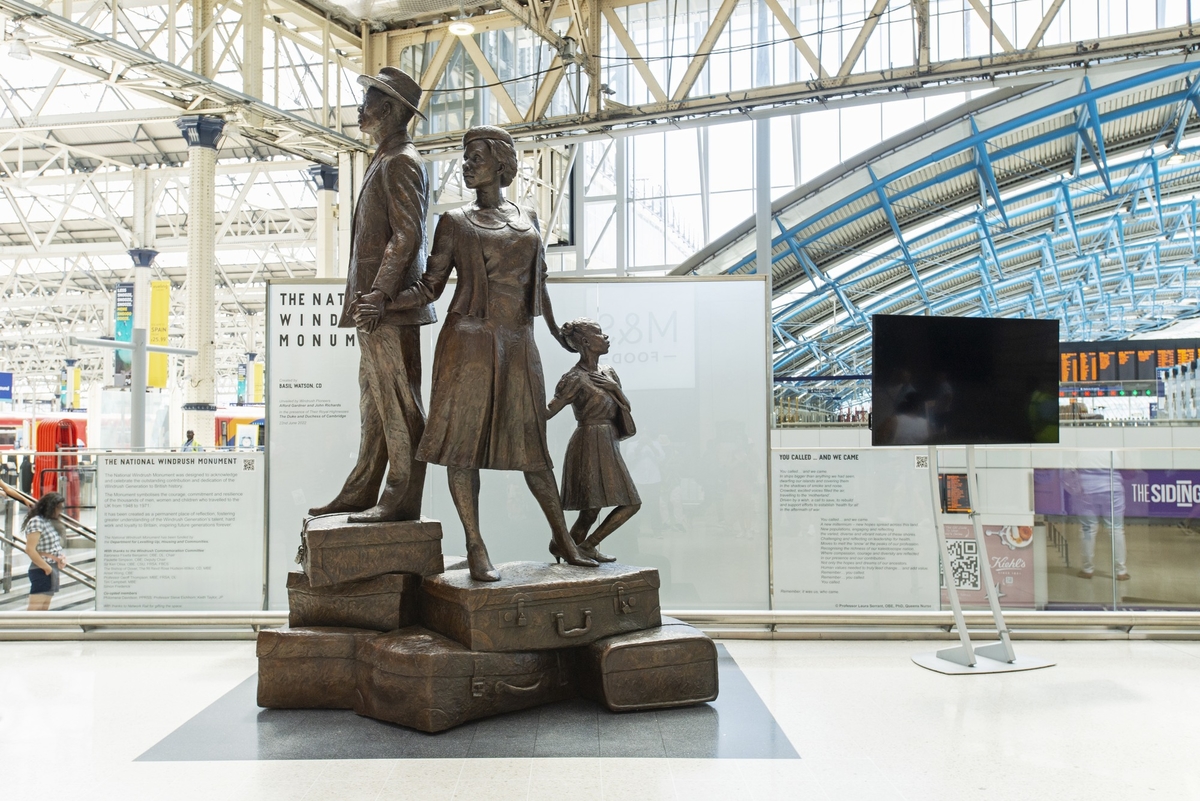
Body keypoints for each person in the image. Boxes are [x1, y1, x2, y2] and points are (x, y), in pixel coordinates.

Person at [390, 125, 596, 581]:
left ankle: (564, 539)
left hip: (520, 343)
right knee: (463, 448)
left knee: (534, 450)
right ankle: (475, 544)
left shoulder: (530, 219)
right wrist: (385, 301)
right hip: (469, 344)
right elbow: (430, 287)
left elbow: (538, 286)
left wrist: (562, 337)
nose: (467, 163)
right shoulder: (455, 222)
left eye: (476, 156)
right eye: (464, 157)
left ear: (502, 163)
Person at [308, 67, 436, 523]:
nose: (362, 107)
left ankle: (401, 495)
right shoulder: (384, 158)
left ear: (392, 110)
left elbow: (407, 236)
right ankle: (363, 488)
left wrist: (381, 293)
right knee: (375, 402)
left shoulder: (402, 160)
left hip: (388, 309)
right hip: (374, 309)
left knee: (399, 403)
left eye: (370, 99)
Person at [547, 318, 641, 562]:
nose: (606, 337)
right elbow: (548, 411)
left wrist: (616, 389)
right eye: (600, 334)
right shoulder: (574, 378)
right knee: (623, 504)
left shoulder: (607, 372)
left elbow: (625, 407)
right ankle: (585, 546)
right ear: (587, 342)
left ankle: (564, 545)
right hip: (588, 441)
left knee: (592, 510)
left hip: (608, 439)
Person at [23, 491, 68, 611]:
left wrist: (60, 558)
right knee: (35, 609)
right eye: (59, 508)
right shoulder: (37, 521)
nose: (60, 511)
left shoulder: (51, 522)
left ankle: (38, 629)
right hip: (41, 568)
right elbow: (30, 549)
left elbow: (53, 545)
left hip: (51, 567)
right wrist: (47, 568)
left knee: (44, 610)